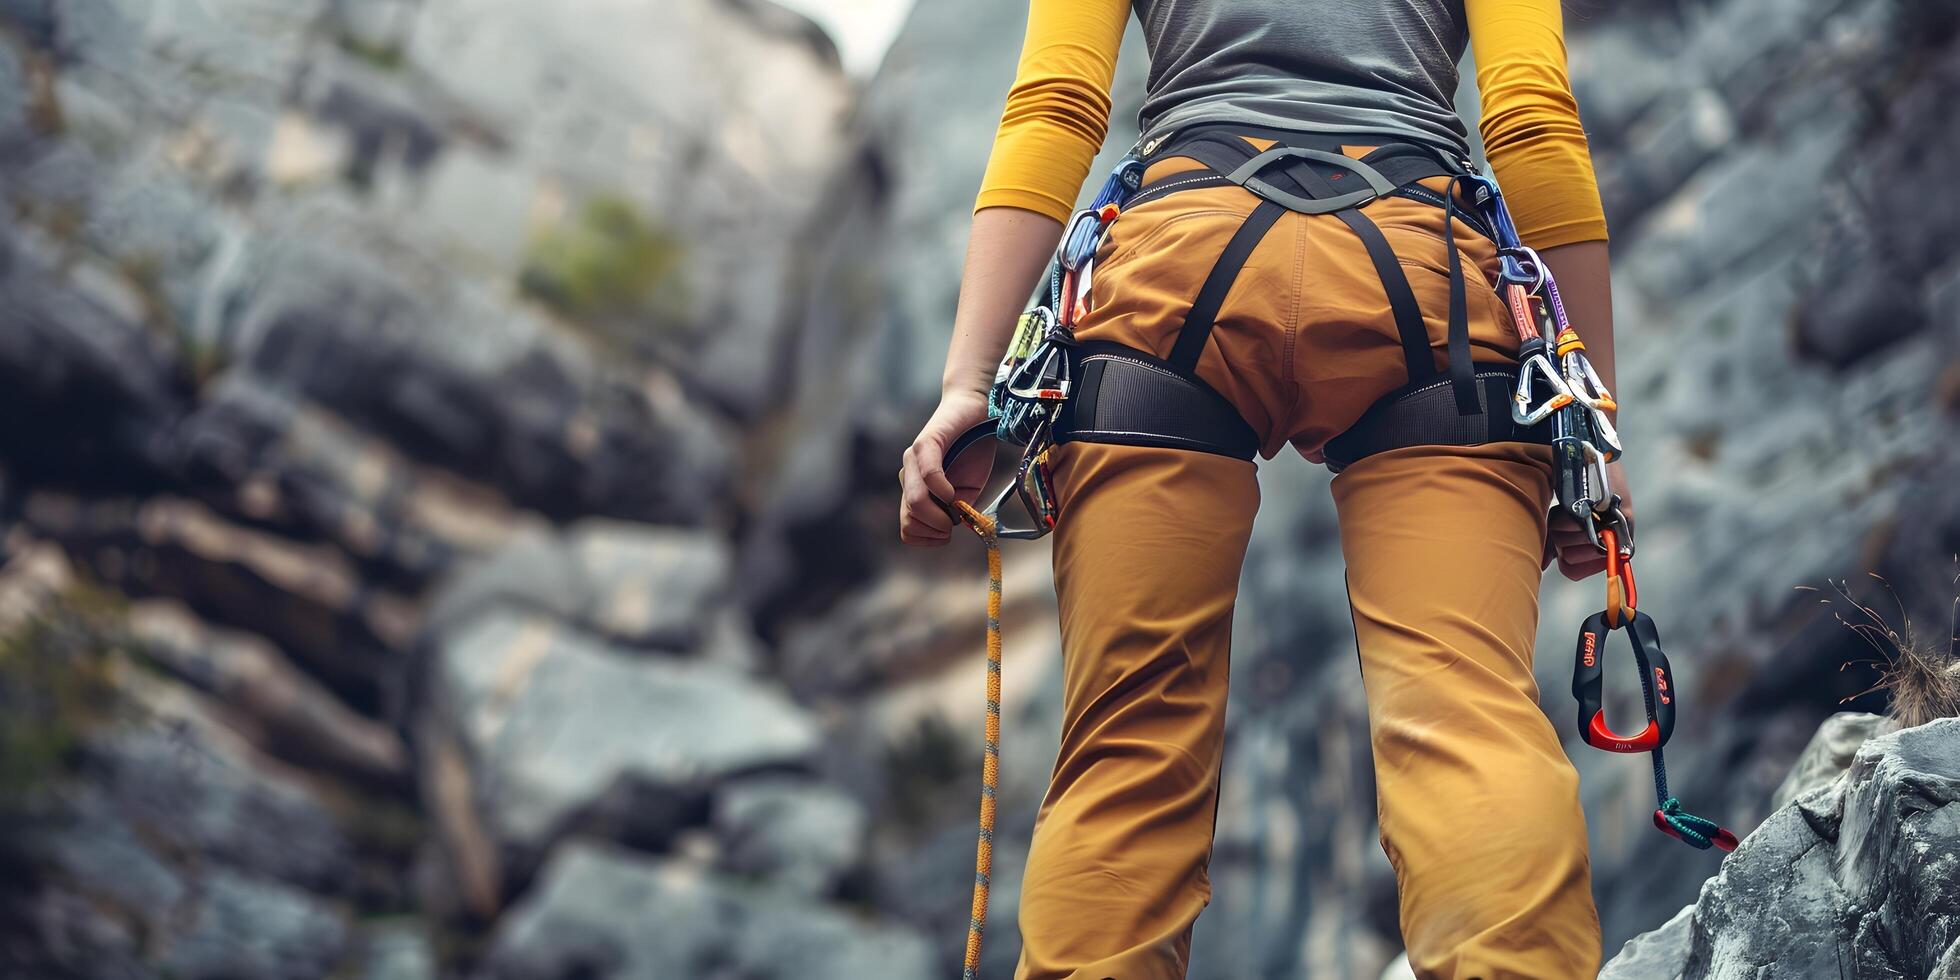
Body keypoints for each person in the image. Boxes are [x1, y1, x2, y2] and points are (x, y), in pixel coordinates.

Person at [898, 0, 1622, 976]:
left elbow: (1057, 102)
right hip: (1424, 287)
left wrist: (969, 383)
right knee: (1464, 712)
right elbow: (1532, 116)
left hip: (1174, 271)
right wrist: (1595, 421)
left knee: (1127, 744)